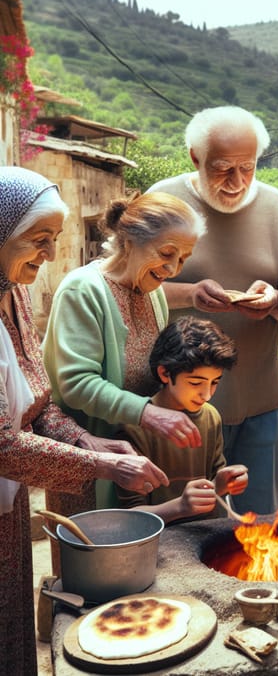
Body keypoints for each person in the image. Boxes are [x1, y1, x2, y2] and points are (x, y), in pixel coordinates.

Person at [0, 167, 168, 675]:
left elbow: (38, 404)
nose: (50, 255)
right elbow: (3, 444)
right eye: (38, 240)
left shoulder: (13, 292)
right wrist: (100, 466)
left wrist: (91, 442)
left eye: (55, 239)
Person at [147, 106, 278, 515]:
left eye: (247, 168)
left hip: (258, 402)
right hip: (178, 406)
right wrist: (190, 294)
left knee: (258, 526)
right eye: (222, 169)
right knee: (190, 528)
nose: (236, 182)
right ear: (195, 157)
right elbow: (128, 286)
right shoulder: (162, 203)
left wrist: (273, 302)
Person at [43, 192, 206, 514]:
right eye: (167, 253)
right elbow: (76, 383)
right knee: (92, 554)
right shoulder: (83, 290)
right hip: (93, 457)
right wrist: (148, 413)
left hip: (136, 458)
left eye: (184, 259)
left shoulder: (153, 292)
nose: (173, 269)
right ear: (129, 242)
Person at [116, 316, 248, 524]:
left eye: (215, 382)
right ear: (165, 373)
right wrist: (180, 507)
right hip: (160, 542)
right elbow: (131, 516)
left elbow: (213, 483)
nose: (207, 395)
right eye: (196, 383)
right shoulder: (136, 428)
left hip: (204, 536)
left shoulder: (210, 416)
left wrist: (222, 484)